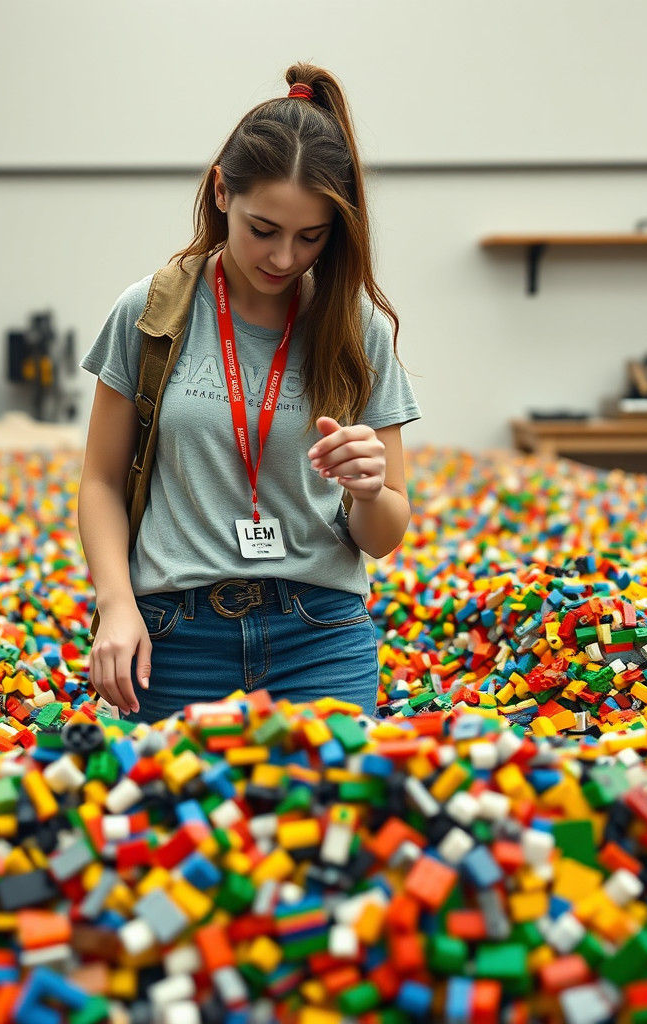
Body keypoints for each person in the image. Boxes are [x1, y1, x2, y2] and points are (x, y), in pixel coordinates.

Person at [78, 62, 421, 723]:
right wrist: (117, 605)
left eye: (310, 237)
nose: (284, 258)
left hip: (319, 633)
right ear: (222, 193)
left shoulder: (356, 328)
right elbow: (100, 481)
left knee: (326, 820)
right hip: (176, 635)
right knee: (176, 817)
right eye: (264, 229)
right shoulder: (149, 313)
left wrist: (373, 490)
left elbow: (381, 537)